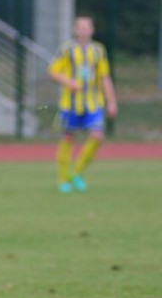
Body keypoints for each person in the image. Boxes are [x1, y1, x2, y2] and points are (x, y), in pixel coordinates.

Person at [47, 14, 118, 193]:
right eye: (80, 27)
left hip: (93, 102)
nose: (83, 30)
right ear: (75, 30)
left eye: (87, 27)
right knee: (68, 138)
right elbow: (53, 71)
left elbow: (104, 77)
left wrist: (111, 101)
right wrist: (68, 82)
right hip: (70, 104)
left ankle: (76, 172)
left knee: (97, 136)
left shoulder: (98, 50)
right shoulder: (67, 49)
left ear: (92, 30)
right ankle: (63, 179)